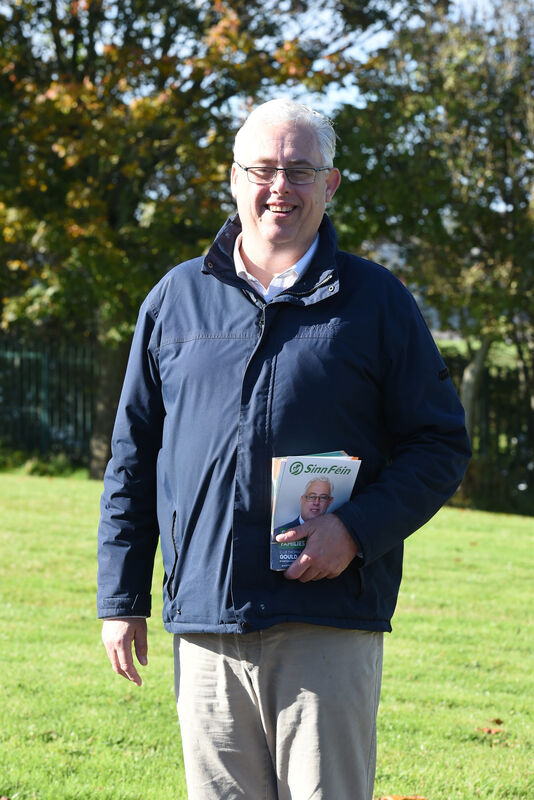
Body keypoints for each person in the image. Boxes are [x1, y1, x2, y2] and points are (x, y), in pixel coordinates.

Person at [97, 97, 471, 800]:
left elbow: (440, 444)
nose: (280, 187)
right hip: (208, 621)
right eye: (264, 169)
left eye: (301, 171)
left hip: (327, 618)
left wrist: (355, 531)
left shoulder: (377, 302)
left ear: (330, 186)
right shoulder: (175, 299)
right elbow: (132, 459)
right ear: (233, 177)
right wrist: (122, 597)